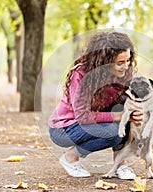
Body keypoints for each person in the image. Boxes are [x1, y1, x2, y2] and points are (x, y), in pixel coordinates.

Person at [48, 31, 143, 179]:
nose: (126, 66)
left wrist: (139, 112)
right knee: (114, 131)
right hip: (65, 128)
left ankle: (120, 164)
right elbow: (82, 116)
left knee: (126, 103)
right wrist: (120, 115)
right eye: (120, 63)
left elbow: (129, 99)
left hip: (89, 121)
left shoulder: (122, 73)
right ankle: (70, 157)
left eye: (128, 60)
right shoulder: (80, 74)